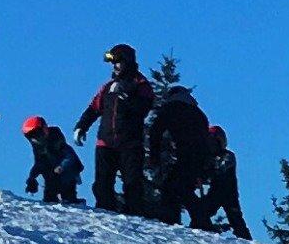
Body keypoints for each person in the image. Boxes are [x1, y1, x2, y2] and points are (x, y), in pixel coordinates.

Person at [75, 45, 155, 213]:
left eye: (118, 62)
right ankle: (106, 216)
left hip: (130, 143)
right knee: (102, 185)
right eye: (113, 63)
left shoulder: (141, 85)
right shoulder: (108, 87)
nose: (115, 67)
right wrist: (81, 126)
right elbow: (94, 108)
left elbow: (144, 108)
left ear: (127, 62)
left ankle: (135, 220)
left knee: (132, 184)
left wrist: (127, 98)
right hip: (105, 143)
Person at [145, 74, 215, 226]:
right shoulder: (199, 113)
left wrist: (154, 155)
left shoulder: (171, 108)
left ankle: (176, 220)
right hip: (200, 157)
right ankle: (199, 220)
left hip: (185, 155)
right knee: (182, 187)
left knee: (174, 188)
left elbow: (155, 131)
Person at [192, 123, 252, 238]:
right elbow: (206, 174)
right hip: (215, 192)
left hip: (229, 192)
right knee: (202, 212)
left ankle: (247, 241)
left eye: (213, 142)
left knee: (235, 218)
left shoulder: (228, 156)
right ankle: (197, 232)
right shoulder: (208, 157)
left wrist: (207, 170)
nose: (211, 145)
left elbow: (221, 169)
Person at [22, 115, 83, 205]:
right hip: (51, 177)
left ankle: (71, 201)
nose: (35, 138)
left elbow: (70, 157)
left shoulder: (57, 140)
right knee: (49, 199)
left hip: (66, 174)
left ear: (44, 129)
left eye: (37, 133)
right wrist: (32, 178)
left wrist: (61, 167)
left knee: (67, 193)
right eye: (32, 136)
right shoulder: (38, 147)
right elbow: (39, 163)